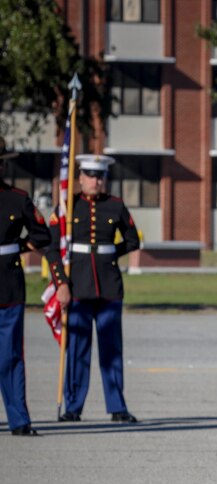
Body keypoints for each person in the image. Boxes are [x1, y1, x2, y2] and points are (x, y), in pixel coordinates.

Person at [45, 154, 141, 423]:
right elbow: (51, 248)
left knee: (112, 349)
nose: (96, 181)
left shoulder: (116, 206)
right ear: (80, 178)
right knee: (77, 348)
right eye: (90, 175)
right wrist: (60, 282)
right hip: (78, 285)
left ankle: (117, 406)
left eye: (100, 176)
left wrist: (110, 254)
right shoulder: (67, 206)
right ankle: (73, 406)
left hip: (108, 286)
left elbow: (132, 241)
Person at [0, 137, 52, 436]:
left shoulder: (18, 199)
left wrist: (16, 246)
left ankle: (19, 419)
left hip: (7, 286)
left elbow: (41, 236)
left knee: (10, 356)